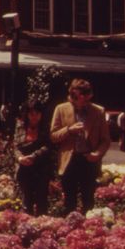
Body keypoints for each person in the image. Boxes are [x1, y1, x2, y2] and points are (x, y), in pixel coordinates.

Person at [50, 79, 111, 215]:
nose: (83, 101)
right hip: (69, 160)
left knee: (88, 200)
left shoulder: (98, 111)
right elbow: (53, 136)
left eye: (86, 98)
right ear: (72, 95)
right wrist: (69, 130)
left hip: (89, 160)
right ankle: (69, 225)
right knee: (69, 201)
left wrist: (97, 154)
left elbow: (105, 140)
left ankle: (89, 226)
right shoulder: (61, 109)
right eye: (78, 98)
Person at [15, 101, 53, 216]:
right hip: (24, 167)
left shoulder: (46, 127)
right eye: (31, 113)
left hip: (40, 167)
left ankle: (42, 223)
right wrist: (20, 158)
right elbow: (15, 146)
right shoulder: (20, 127)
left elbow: (48, 146)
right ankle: (27, 223)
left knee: (42, 200)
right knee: (26, 200)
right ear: (27, 114)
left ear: (41, 114)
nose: (34, 116)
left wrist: (34, 156)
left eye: (37, 113)